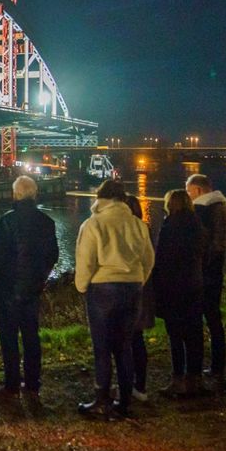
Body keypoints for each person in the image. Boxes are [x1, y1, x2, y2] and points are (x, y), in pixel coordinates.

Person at [74, 179, 154, 420]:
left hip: (103, 289)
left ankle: (102, 400)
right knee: (124, 346)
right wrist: (138, 280)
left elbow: (86, 261)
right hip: (132, 289)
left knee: (102, 347)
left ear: (101, 198)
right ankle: (125, 400)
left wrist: (82, 286)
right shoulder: (138, 224)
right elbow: (149, 258)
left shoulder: (93, 224)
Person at [0, 176, 58, 400]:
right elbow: (52, 256)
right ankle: (33, 383)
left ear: (15, 194)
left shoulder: (6, 221)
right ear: (34, 194)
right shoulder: (47, 222)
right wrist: (40, 279)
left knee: (9, 339)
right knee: (31, 337)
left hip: (7, 291)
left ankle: (11, 385)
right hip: (33, 290)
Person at [152, 189, 207, 396]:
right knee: (194, 334)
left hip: (173, 288)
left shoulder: (169, 226)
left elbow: (162, 258)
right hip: (194, 285)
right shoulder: (197, 225)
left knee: (175, 335)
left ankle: (177, 379)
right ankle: (195, 379)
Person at [185, 174, 226, 383]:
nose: (187, 195)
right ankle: (217, 365)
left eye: (188, 191)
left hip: (203, 274)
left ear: (198, 191)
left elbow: (201, 244)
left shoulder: (201, 211)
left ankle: (196, 368)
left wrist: (199, 268)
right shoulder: (220, 208)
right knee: (214, 319)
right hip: (215, 273)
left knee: (197, 321)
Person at [123, 194, 153, 402]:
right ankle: (139, 385)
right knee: (137, 339)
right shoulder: (145, 230)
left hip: (124, 292)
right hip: (142, 291)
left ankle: (126, 385)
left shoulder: (120, 231)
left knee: (123, 341)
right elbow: (150, 260)